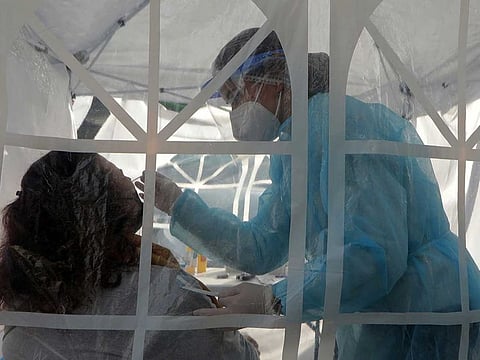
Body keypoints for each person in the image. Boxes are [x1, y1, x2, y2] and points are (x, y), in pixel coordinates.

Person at [135, 28, 480, 359]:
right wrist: (177, 203)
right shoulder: (294, 145)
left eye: (236, 95)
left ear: (276, 79)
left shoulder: (339, 125)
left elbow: (373, 258)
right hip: (387, 316)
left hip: (428, 311)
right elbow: (262, 245)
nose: (234, 111)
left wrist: (277, 298)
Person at [0, 151, 259, 360]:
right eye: (117, 175)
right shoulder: (165, 293)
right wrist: (249, 347)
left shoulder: (23, 301)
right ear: (97, 208)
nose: (127, 178)